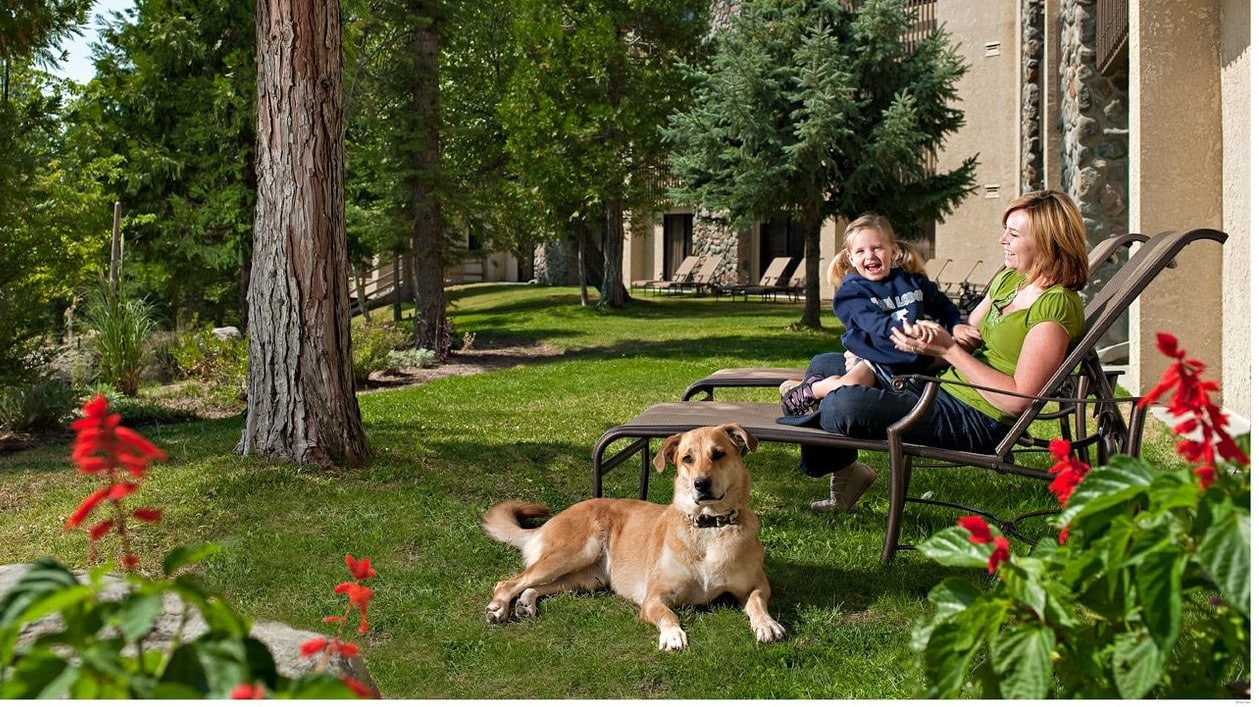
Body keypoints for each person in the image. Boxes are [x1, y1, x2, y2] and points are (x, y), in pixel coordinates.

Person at [780, 190, 1089, 513]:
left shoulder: (1056, 306)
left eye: (1013, 234)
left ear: (1047, 240)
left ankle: (814, 399)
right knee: (824, 362)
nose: (1002, 239)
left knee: (843, 404)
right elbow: (970, 335)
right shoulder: (1011, 281)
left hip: (976, 416)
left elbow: (1021, 398)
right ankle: (847, 470)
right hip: (942, 384)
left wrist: (951, 351)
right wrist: (919, 346)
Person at [779, 214, 981, 426]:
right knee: (853, 383)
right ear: (851, 257)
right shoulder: (852, 290)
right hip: (873, 352)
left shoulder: (911, 281)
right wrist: (910, 332)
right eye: (861, 251)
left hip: (910, 354)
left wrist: (956, 325)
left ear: (892, 251)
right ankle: (814, 389)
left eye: (877, 248)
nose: (870, 255)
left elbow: (942, 305)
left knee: (958, 350)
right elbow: (873, 323)